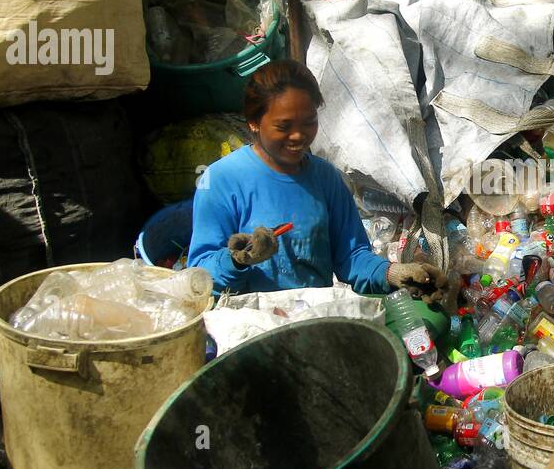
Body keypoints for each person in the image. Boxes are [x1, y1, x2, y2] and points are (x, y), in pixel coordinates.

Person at [188, 59, 447, 302]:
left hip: (315, 323)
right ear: (254, 122)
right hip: (248, 329)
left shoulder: (326, 179)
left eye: (309, 123)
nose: (298, 136)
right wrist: (238, 259)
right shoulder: (221, 181)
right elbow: (198, 279)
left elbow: (351, 257)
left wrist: (395, 274)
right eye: (284, 126)